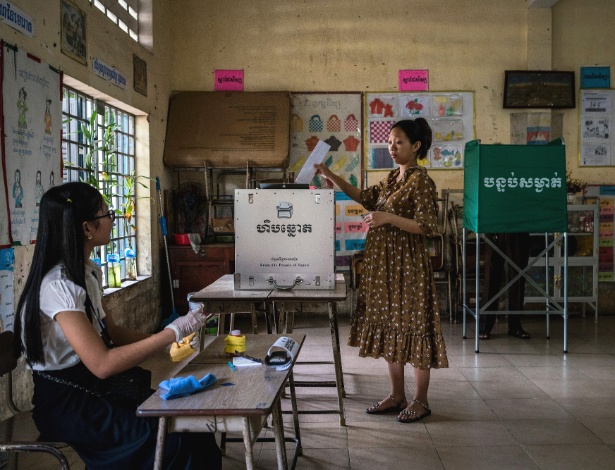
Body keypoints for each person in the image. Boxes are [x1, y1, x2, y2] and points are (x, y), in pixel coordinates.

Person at [13, 182, 221, 470]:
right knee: (173, 442)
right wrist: (172, 332)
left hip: (96, 390)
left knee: (193, 428)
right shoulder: (58, 286)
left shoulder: (87, 273)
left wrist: (171, 341)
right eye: (106, 214)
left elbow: (113, 334)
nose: (113, 220)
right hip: (70, 404)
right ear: (87, 228)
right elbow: (103, 363)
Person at [315, 118, 448, 423]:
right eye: (389, 141)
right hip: (385, 268)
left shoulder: (421, 181)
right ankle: (397, 395)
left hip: (410, 269)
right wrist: (330, 175)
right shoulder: (392, 179)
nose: (391, 146)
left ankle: (421, 400)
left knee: (415, 329)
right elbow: (362, 197)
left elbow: (428, 226)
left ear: (416, 147)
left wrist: (389, 218)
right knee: (392, 327)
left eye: (398, 142)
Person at [478, 232, 531, 340]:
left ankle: (515, 325)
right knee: (491, 276)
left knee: (518, 275)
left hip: (518, 226)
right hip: (495, 224)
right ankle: (484, 325)